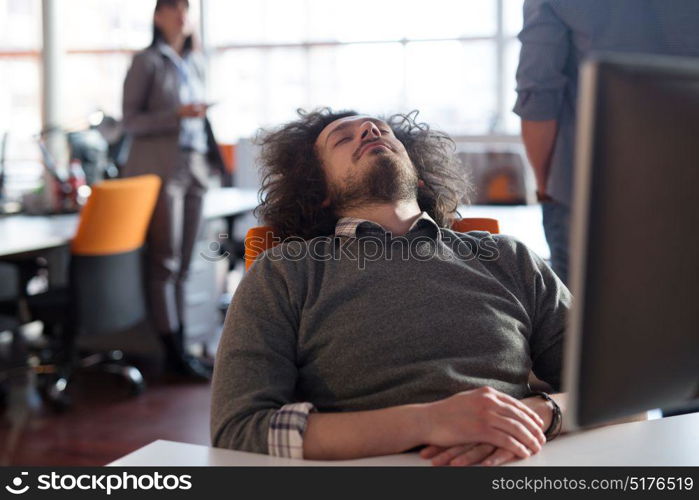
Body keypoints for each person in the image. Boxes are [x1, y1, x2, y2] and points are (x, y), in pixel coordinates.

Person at [211, 109, 573, 466]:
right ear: (320, 189)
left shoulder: (509, 257)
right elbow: (239, 429)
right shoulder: (285, 272)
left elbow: (617, 387)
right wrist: (429, 422)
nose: (369, 130)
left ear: (417, 175)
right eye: (342, 138)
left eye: (381, 130)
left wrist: (541, 413)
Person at [514, 0, 699, 285]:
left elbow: (538, 101)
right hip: (685, 184)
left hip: (586, 192)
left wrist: (544, 190)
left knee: (585, 319)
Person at [122, 0, 225, 379]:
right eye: (173, 7)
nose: (182, 14)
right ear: (157, 15)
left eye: (186, 7)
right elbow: (129, 121)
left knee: (184, 262)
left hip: (194, 165)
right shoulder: (146, 62)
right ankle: (172, 351)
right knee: (164, 262)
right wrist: (177, 114)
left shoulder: (193, 60)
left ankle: (182, 348)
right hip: (161, 168)